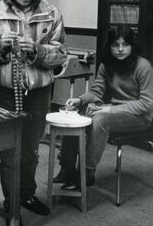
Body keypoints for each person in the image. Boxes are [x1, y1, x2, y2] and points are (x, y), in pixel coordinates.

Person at [0, 0, 68, 217]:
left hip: (39, 93)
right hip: (6, 93)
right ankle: (11, 204)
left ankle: (26, 195)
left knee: (30, 149)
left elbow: (62, 54)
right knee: (9, 152)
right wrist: (0, 49)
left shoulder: (52, 14)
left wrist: (38, 51)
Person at [55, 25, 153, 190]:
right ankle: (67, 168)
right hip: (114, 111)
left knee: (100, 119)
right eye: (115, 45)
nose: (120, 49)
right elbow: (97, 91)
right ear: (110, 46)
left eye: (125, 45)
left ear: (132, 46)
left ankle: (86, 174)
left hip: (142, 117)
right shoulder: (106, 64)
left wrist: (110, 110)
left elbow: (147, 103)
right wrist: (79, 100)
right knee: (74, 114)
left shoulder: (143, 66)